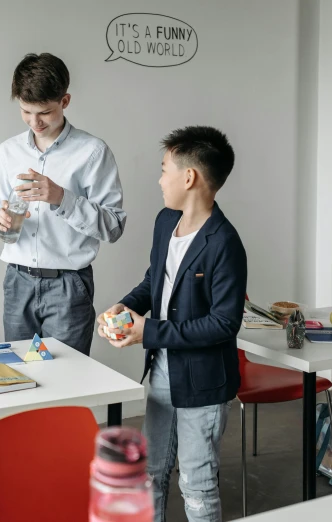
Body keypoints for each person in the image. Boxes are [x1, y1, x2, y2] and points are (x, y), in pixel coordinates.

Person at [98, 126, 247, 522]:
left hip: (203, 382)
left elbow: (223, 324)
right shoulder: (166, 221)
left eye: (164, 169)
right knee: (150, 474)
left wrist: (148, 331)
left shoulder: (224, 243)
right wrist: (124, 307)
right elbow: (154, 282)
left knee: (196, 484)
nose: (160, 179)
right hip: (163, 369)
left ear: (189, 177)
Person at [0, 53, 126, 355]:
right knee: (18, 376)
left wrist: (62, 198)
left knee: (67, 379)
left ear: (65, 101)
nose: (35, 122)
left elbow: (113, 226)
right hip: (17, 281)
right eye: (25, 111)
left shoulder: (92, 152)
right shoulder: (7, 151)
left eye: (44, 112)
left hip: (69, 285)